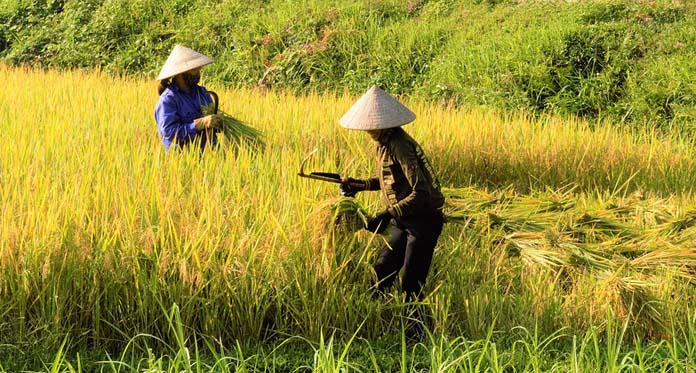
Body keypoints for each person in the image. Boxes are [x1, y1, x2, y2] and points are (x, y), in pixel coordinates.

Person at [338, 86, 445, 304]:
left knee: (411, 285)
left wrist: (387, 213)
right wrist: (358, 185)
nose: (368, 132)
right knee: (381, 272)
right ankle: (375, 322)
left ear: (383, 124)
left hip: (422, 221)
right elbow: (389, 180)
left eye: (371, 127)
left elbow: (421, 192)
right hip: (403, 219)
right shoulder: (383, 144)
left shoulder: (400, 145)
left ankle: (416, 334)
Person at [154, 44, 223, 151]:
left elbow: (214, 127)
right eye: (194, 70)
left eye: (199, 70)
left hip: (209, 156)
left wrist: (218, 121)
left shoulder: (202, 93)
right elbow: (170, 134)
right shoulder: (168, 100)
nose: (198, 74)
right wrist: (199, 124)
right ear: (181, 73)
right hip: (182, 159)